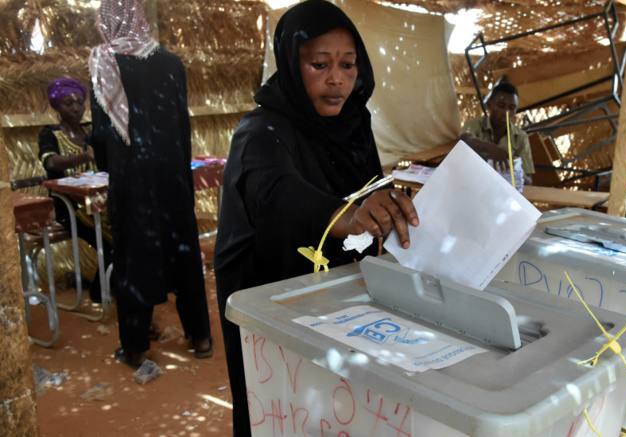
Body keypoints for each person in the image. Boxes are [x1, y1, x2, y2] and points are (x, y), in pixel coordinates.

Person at [214, 1, 418, 434]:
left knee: (335, 407)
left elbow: (369, 188)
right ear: (292, 63)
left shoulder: (352, 123)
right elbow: (275, 195)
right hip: (267, 288)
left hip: (332, 291)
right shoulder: (260, 132)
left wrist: (389, 206)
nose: (336, 79)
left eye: (348, 65)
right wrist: (351, 216)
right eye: (319, 64)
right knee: (278, 406)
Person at [88, 0, 212, 370]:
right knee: (185, 253)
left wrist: (112, 172)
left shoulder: (103, 61)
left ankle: (136, 347)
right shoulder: (172, 63)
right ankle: (201, 337)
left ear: (107, 21)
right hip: (173, 178)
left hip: (132, 183)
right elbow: (182, 127)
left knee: (133, 259)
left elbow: (100, 133)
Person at [38, 77, 113, 304]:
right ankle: (101, 292)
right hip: (71, 208)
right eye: (68, 104)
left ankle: (113, 285)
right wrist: (84, 156)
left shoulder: (92, 130)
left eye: (79, 102)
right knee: (113, 241)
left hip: (103, 201)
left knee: (128, 230)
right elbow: (50, 163)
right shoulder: (49, 134)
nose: (76, 108)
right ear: (57, 108)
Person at [459, 81, 535, 185]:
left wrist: (514, 172)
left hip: (501, 194)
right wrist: (491, 148)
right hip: (470, 184)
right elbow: (465, 139)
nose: (506, 112)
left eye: (511, 108)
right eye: (501, 106)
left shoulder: (520, 137)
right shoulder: (475, 124)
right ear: (489, 105)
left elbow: (528, 181)